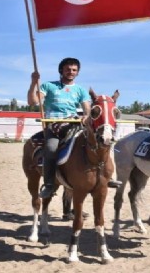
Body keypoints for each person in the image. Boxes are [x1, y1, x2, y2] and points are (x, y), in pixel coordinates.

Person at [28, 58, 91, 199]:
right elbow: (32, 102)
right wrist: (33, 83)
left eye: (74, 70)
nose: (71, 72)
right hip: (54, 125)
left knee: (98, 142)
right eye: (68, 69)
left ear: (78, 72)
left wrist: (86, 116)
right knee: (51, 148)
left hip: (74, 125)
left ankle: (105, 176)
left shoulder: (81, 90)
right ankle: (49, 184)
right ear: (61, 70)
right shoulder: (48, 86)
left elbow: (87, 109)